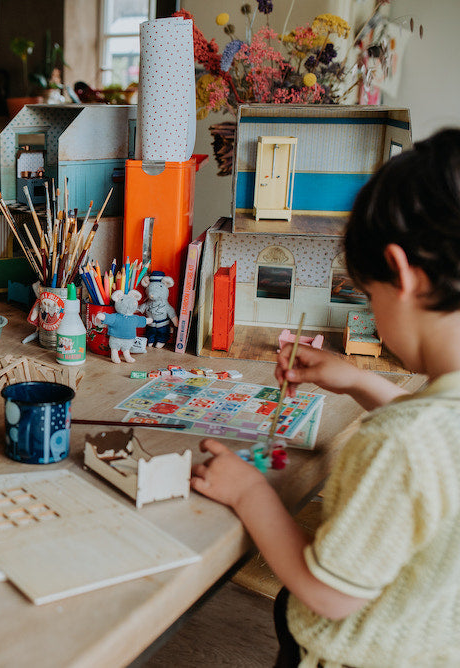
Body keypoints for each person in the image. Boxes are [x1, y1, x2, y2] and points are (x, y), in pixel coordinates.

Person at [191, 129, 460, 667]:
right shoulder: (429, 426)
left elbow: (329, 593)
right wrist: (358, 380)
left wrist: (251, 494)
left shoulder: (398, 443)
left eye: (369, 294)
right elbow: (441, 445)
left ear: (402, 276)